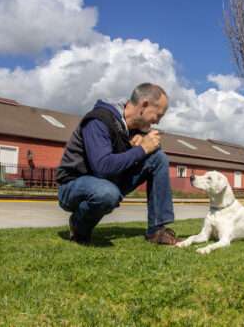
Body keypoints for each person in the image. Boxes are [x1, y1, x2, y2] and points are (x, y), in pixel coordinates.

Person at [56, 83, 180, 245]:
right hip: (73, 185)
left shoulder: (135, 128)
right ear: (144, 105)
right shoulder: (98, 121)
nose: (156, 122)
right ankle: (79, 226)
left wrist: (143, 144)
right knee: (107, 193)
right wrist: (141, 149)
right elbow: (102, 167)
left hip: (108, 182)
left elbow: (151, 154)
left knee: (158, 158)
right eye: (158, 115)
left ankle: (156, 230)